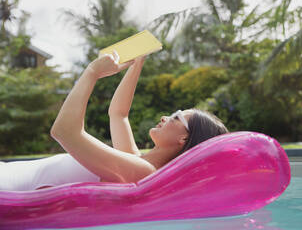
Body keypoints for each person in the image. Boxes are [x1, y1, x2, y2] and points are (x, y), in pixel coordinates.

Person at [0, 50, 228, 191]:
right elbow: (118, 113)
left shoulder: (143, 171)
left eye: (176, 117)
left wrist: (92, 72)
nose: (165, 117)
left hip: (9, 189)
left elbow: (64, 131)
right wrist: (137, 63)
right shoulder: (136, 160)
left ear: (184, 139)